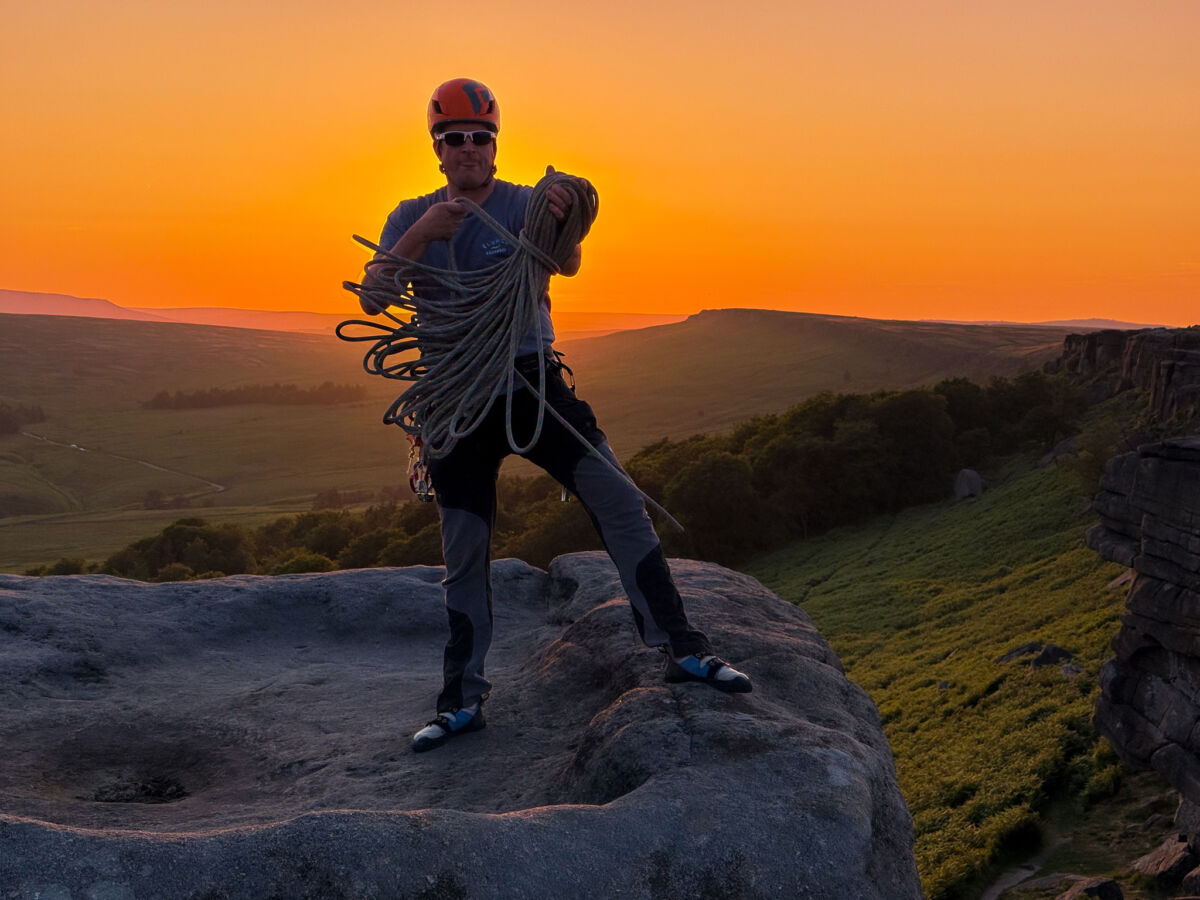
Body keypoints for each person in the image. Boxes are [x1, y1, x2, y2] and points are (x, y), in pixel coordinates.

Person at [359, 78, 752, 753]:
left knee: (619, 501)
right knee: (465, 550)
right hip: (456, 399)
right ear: (438, 149)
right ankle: (460, 701)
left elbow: (564, 261)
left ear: (495, 143)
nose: (470, 149)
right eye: (455, 139)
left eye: (481, 138)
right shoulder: (411, 215)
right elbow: (373, 297)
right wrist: (425, 233)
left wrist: (563, 214)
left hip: (533, 383)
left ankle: (686, 649)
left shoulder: (521, 203)